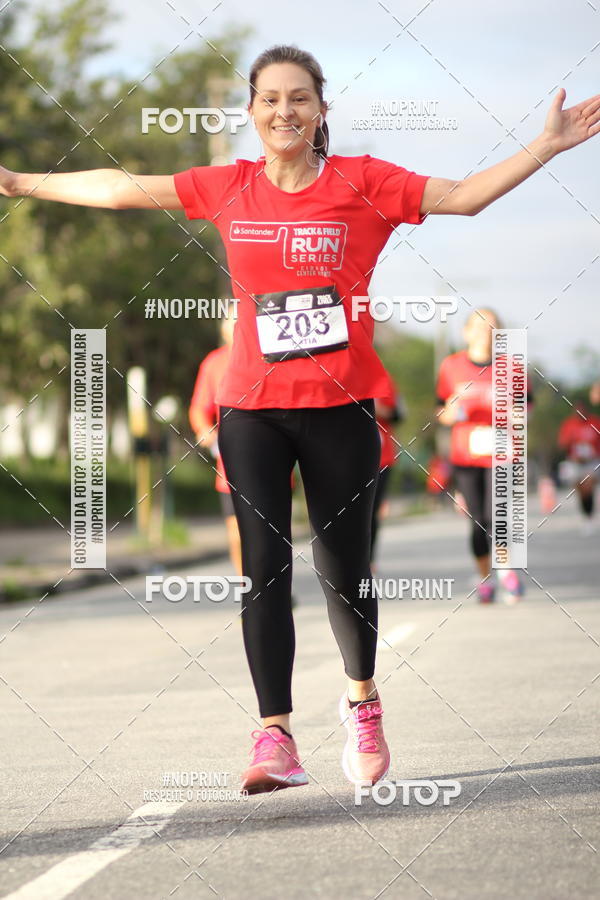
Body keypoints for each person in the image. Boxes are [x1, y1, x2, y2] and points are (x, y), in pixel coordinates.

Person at [2, 44, 598, 794]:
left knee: (344, 571)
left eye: (299, 98)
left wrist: (545, 146)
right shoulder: (229, 186)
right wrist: (20, 182)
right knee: (263, 570)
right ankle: (275, 734)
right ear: (251, 112)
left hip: (341, 410)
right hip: (249, 409)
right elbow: (126, 189)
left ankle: (362, 700)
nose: (284, 111)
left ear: (321, 111)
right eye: (270, 99)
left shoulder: (365, 181)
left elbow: (467, 196)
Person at [436, 309, 531, 603]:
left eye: (491, 326)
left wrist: (517, 416)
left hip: (502, 452)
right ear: (465, 332)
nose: (484, 332)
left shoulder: (512, 367)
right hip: (466, 454)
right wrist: (450, 412)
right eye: (478, 325)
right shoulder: (451, 366)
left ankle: (506, 573)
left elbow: (526, 408)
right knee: (478, 520)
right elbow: (441, 412)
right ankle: (484, 577)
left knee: (497, 515)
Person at [189, 313, 242, 574]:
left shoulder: (268, 358)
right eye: (232, 324)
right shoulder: (215, 363)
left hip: (273, 463)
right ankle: (249, 588)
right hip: (230, 463)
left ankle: (274, 587)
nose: (237, 329)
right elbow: (200, 407)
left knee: (273, 530)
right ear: (223, 331)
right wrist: (205, 430)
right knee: (236, 530)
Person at [371, 370, 404, 565]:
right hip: (343, 454)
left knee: (370, 513)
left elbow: (394, 412)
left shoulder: (381, 376)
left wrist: (366, 402)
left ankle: (368, 563)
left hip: (381, 457)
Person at [557, 403, 600, 532]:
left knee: (588, 485)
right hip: (575, 463)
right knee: (581, 490)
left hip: (592, 462)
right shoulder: (569, 425)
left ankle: (589, 516)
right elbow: (562, 444)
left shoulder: (595, 423)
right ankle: (586, 514)